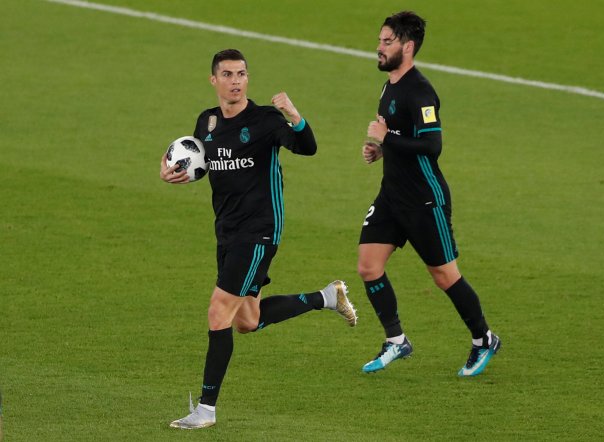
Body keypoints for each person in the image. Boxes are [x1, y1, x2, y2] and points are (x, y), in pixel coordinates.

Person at [160, 49, 357, 429]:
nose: (236, 81)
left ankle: (205, 410)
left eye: (242, 74)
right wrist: (166, 168)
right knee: (247, 320)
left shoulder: (265, 119)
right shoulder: (207, 121)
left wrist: (296, 118)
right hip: (227, 231)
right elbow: (186, 157)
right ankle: (327, 297)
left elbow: (307, 147)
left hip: (260, 230)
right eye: (228, 74)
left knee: (219, 310)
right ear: (213, 80)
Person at [358, 11, 500, 376]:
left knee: (444, 275)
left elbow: (431, 145)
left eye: (387, 42)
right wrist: (381, 149)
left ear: (407, 47)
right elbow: (398, 138)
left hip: (424, 200)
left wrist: (387, 138)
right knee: (368, 266)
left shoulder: (420, 91)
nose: (379, 47)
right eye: (379, 40)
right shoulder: (390, 83)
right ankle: (396, 341)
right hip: (392, 196)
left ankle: (484, 339)